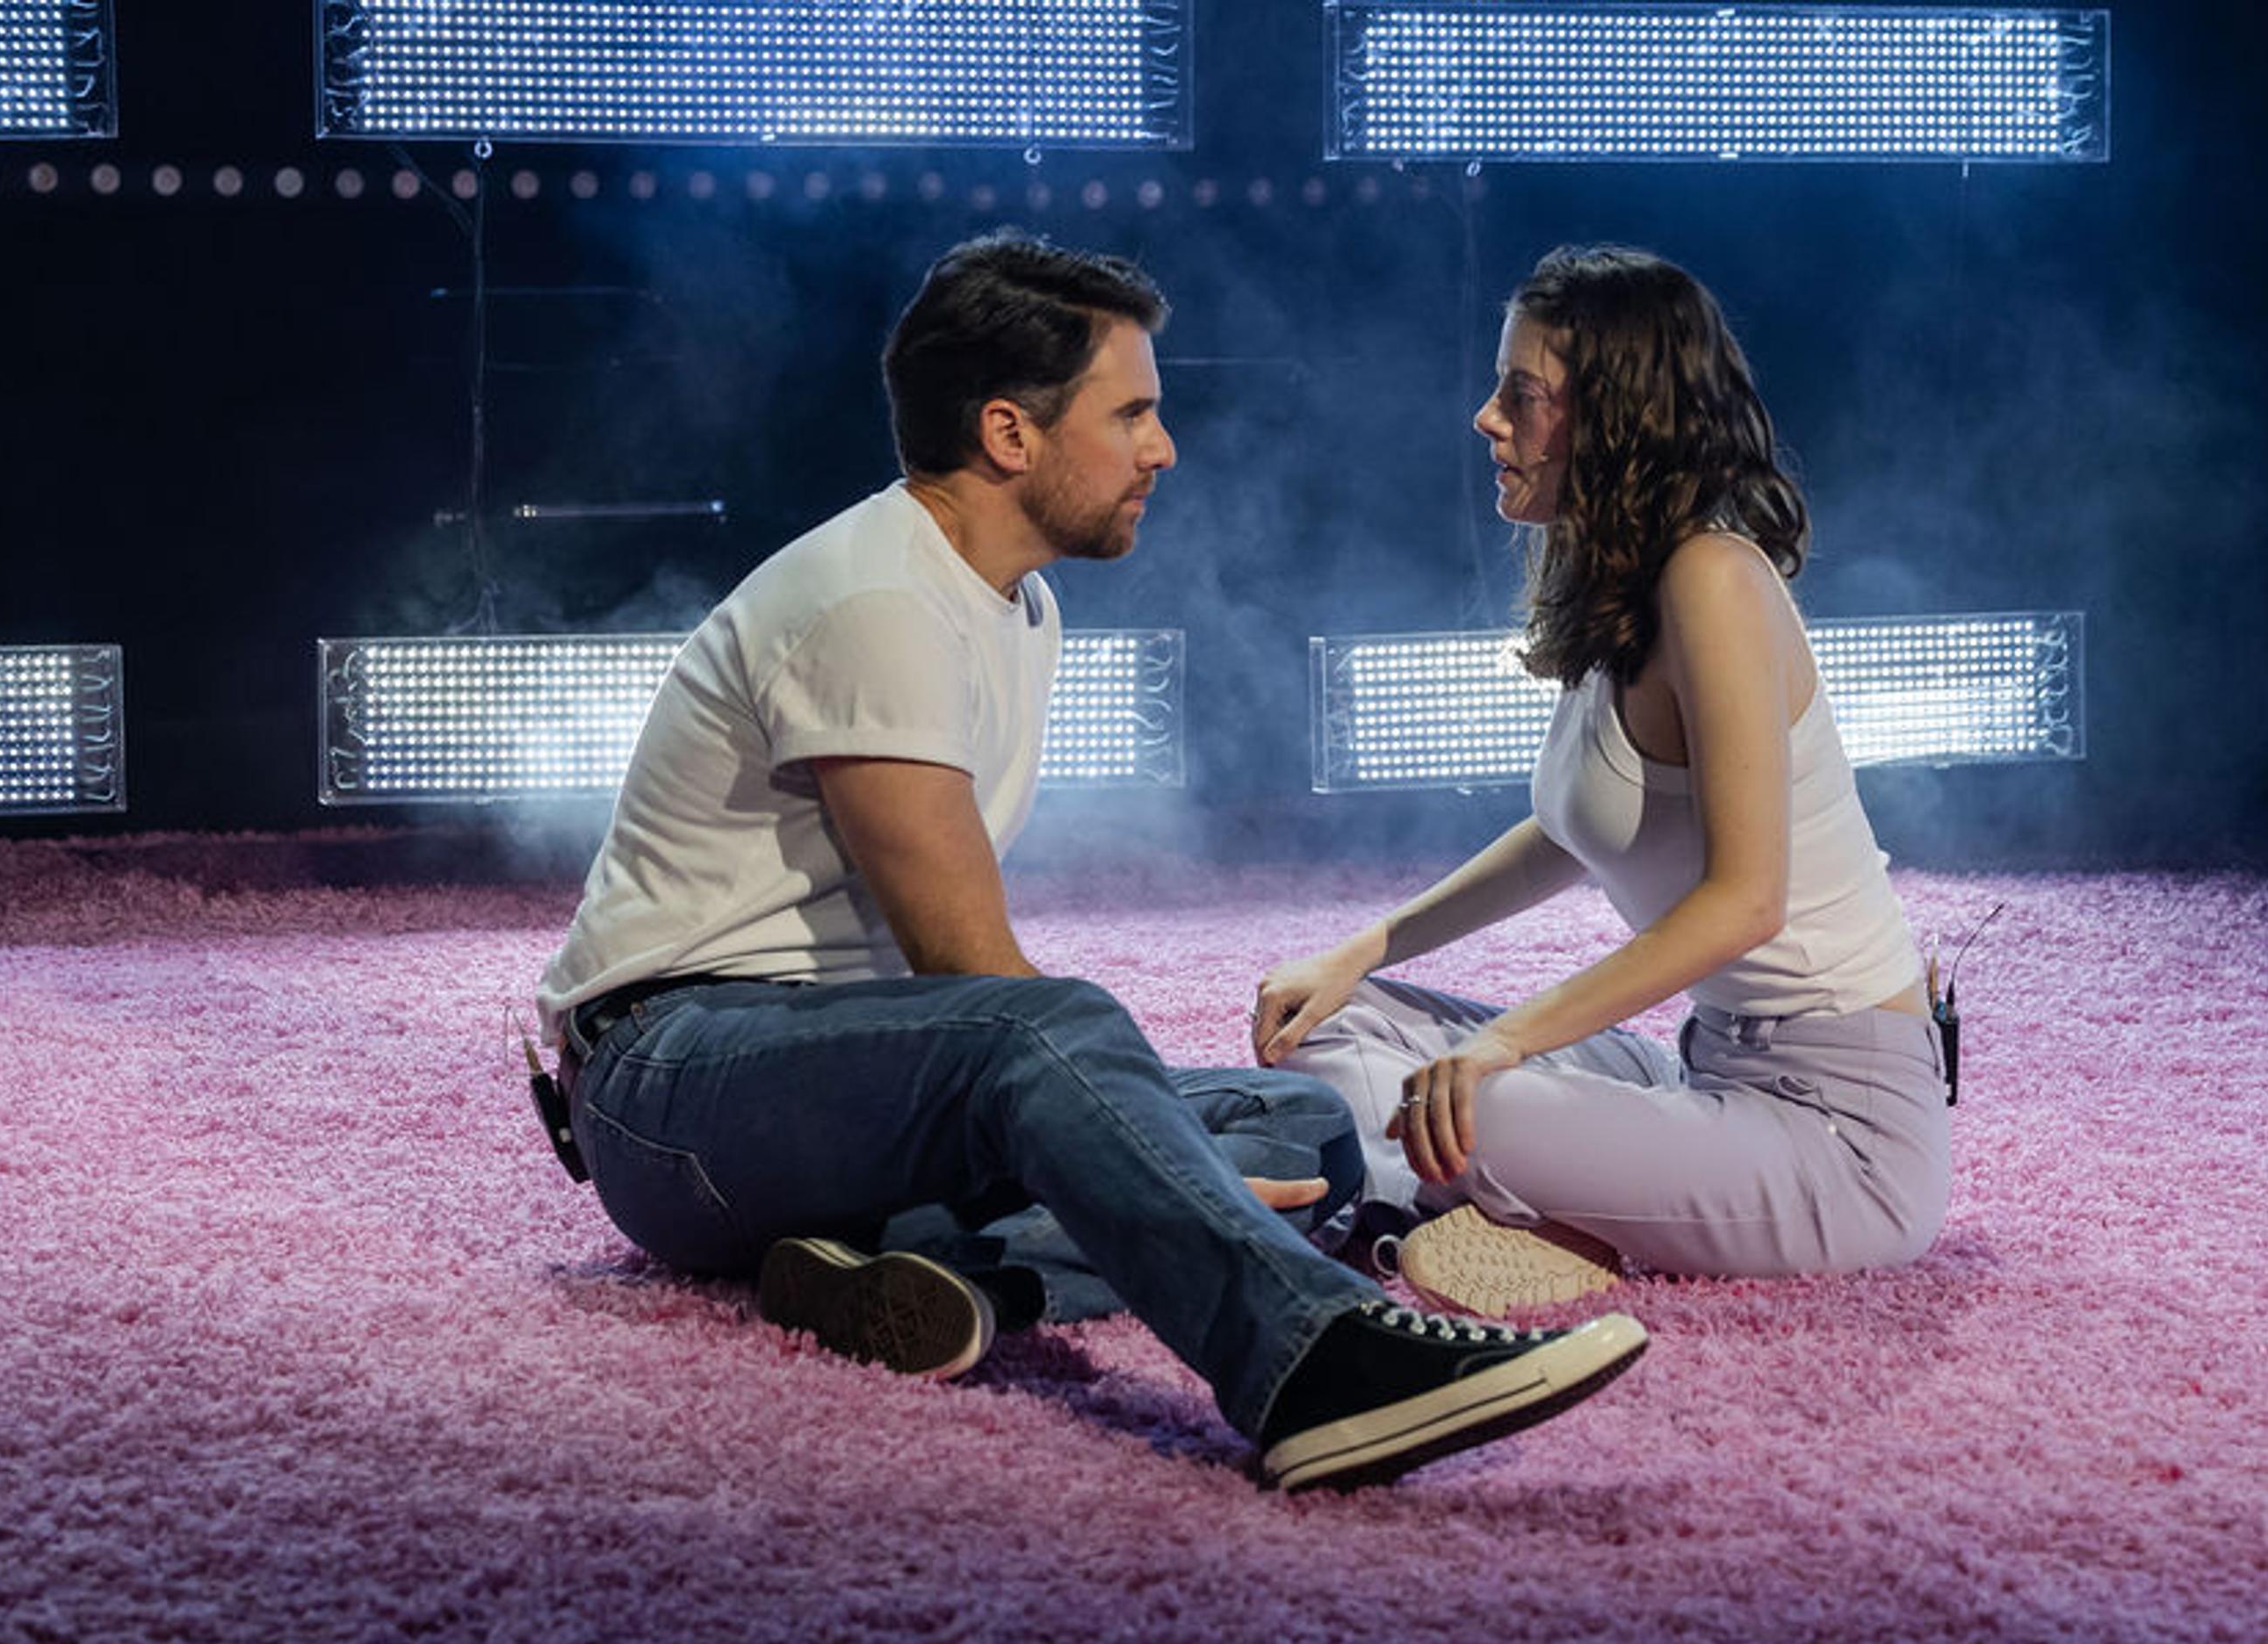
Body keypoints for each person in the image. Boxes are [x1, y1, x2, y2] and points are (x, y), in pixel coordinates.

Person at [536, 234, 1645, 1491]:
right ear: (1011, 434)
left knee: (1305, 1125)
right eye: (1133, 413)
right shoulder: (873, 604)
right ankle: (1309, 1362)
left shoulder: (1018, 603)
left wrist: (1153, 1166)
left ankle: (944, 1275)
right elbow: (973, 981)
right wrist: (1156, 1174)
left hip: (834, 1082)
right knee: (1057, 1039)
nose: (1161, 449)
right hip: (675, 1088)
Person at [1253, 244, 1950, 1317]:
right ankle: (1454, 1207)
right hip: (1706, 1074)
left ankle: (1403, 1224)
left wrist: (1502, 1042)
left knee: (1463, 1101)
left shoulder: (1712, 579)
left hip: (1837, 1133)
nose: (1485, 419)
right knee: (1331, 1026)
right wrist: (1370, 946)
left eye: (1518, 396)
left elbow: (1745, 901)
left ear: (1614, 418)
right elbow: (1568, 828)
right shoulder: (1617, 571)